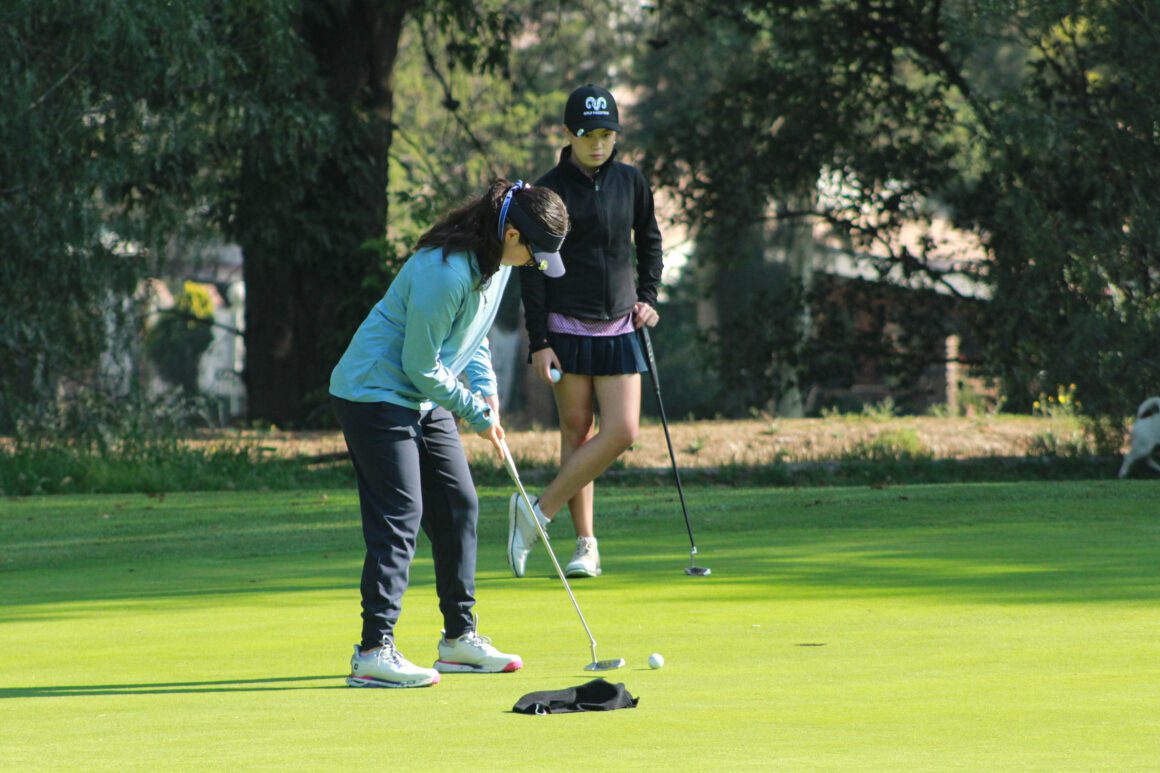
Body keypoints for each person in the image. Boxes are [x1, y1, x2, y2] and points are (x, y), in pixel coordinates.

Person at [331, 179, 569, 688]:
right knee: (401, 514)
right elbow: (420, 364)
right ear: (510, 233)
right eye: (533, 252)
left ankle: (459, 641)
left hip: (417, 392)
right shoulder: (445, 271)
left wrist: (488, 395)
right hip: (373, 390)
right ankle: (373, 650)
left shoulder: (497, 264)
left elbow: (472, 336)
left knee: (459, 503)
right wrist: (476, 417)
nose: (533, 263)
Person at [511, 84, 663, 579]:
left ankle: (536, 512)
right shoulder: (546, 189)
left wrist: (650, 297)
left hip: (620, 324)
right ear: (568, 134)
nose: (598, 143)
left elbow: (651, 243)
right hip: (566, 327)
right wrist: (539, 340)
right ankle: (585, 546)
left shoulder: (632, 182)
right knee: (576, 435)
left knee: (622, 431)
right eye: (587, 134)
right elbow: (531, 269)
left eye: (606, 134)